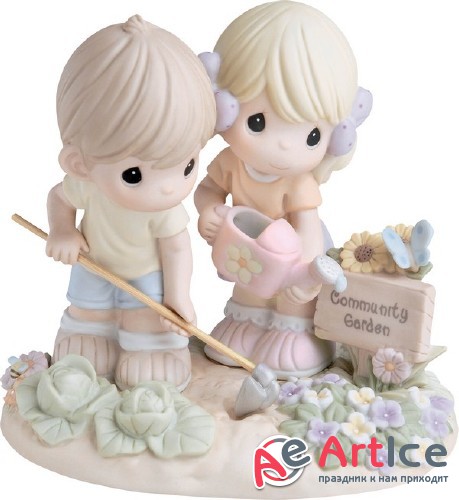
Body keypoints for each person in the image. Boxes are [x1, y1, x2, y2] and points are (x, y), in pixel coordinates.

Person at [195, 1, 371, 377]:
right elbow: (208, 189)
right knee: (250, 288)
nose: (284, 148)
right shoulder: (231, 163)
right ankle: (247, 322)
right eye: (257, 122)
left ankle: (295, 332)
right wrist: (208, 210)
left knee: (290, 300)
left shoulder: (298, 182)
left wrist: (303, 273)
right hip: (248, 253)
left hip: (294, 258)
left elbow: (307, 227)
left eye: (311, 136)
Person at [46, 15, 216, 390]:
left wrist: (177, 297)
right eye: (134, 174)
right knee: (88, 311)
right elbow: (60, 198)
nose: (169, 189)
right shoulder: (89, 186)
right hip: (94, 265)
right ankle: (91, 333)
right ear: (80, 163)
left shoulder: (164, 210)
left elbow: (176, 250)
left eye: (187, 165)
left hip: (146, 276)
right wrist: (62, 231)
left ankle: (153, 348)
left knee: (148, 319)